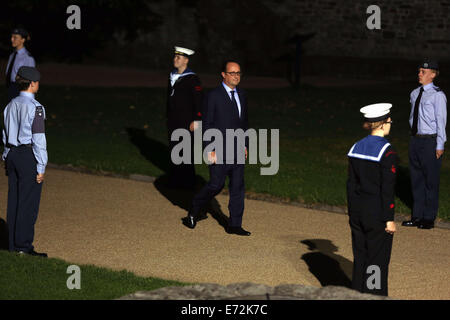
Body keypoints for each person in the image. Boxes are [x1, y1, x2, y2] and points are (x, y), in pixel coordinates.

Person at [183, 61, 251, 236]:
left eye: (238, 73)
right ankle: (194, 209)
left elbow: (244, 123)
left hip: (237, 148)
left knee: (237, 187)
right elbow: (206, 124)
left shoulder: (242, 94)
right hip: (218, 148)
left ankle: (234, 225)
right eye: (232, 73)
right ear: (223, 74)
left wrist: (245, 145)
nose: (236, 76)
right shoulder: (213, 96)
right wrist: (209, 149)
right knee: (215, 185)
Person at [347, 103, 398, 296]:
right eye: (390, 121)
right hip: (376, 214)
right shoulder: (387, 152)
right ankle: (373, 295)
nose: (390, 124)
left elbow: (351, 184)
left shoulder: (355, 147)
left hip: (357, 212)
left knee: (360, 256)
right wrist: (389, 218)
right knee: (376, 260)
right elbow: (387, 189)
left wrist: (353, 212)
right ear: (383, 123)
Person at [2, 66, 48, 257]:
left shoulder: (11, 104)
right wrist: (41, 165)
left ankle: (13, 244)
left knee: (14, 200)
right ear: (32, 83)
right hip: (28, 156)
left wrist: (6, 155)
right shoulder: (36, 107)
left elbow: (5, 132)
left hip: (12, 153)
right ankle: (23, 247)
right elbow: (38, 138)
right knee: (28, 203)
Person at [402, 60, 447, 230]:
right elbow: (413, 117)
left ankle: (428, 217)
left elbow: (441, 121)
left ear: (433, 74)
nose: (419, 74)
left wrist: (440, 144)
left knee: (430, 180)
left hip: (430, 141)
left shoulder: (438, 95)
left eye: (423, 71)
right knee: (416, 179)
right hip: (416, 139)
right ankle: (417, 215)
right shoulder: (415, 93)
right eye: (419, 71)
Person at [167, 46, 203, 189]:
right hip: (173, 121)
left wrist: (197, 119)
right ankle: (176, 181)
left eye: (179, 58)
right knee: (174, 150)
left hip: (187, 122)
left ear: (186, 61)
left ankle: (189, 183)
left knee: (185, 152)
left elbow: (199, 100)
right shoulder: (172, 75)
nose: (175, 59)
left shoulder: (192, 79)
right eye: (175, 56)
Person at [5, 28, 36, 102]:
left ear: (22, 40)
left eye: (15, 37)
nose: (12, 39)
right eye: (12, 37)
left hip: (20, 88)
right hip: (10, 87)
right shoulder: (12, 55)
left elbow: (31, 77)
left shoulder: (27, 57)